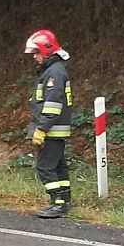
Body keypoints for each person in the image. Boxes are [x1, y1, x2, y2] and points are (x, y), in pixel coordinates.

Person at [25, 29, 74, 218]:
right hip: (56, 130)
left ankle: (58, 203)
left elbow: (53, 105)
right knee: (58, 166)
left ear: (46, 50)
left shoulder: (54, 73)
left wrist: (41, 129)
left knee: (45, 168)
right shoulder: (54, 70)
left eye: (36, 53)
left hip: (51, 130)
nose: (35, 57)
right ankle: (65, 200)